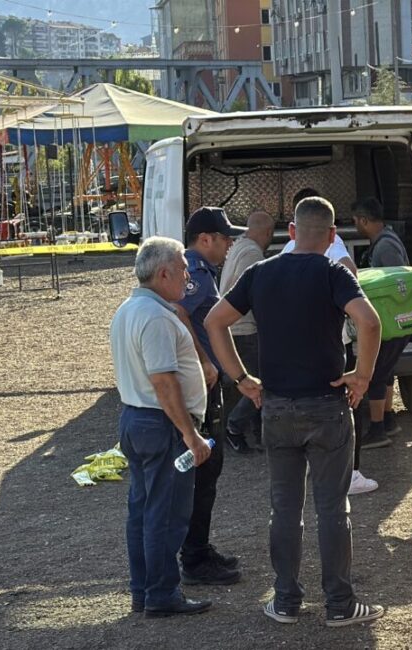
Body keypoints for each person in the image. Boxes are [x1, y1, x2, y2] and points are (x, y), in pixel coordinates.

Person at [204, 196, 386, 628]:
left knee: (284, 510)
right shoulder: (333, 272)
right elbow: (371, 321)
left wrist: (242, 379)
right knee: (332, 508)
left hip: (276, 406)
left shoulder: (260, 272)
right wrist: (361, 375)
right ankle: (340, 604)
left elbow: (215, 322)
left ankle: (285, 600)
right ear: (331, 235)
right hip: (326, 406)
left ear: (290, 230)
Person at [110, 236, 215, 618]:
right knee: (165, 513)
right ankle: (161, 593)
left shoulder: (130, 308)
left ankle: (145, 590)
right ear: (164, 272)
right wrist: (191, 435)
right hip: (161, 424)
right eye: (183, 268)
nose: (188, 275)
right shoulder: (154, 316)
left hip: (138, 419)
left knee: (143, 509)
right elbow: (164, 381)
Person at [172, 207, 242, 586]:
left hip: (202, 384)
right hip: (200, 384)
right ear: (205, 239)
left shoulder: (200, 270)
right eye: (225, 237)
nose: (230, 243)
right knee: (204, 469)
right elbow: (178, 311)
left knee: (207, 471)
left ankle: (198, 548)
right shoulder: (195, 272)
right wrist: (204, 362)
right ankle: (195, 558)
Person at [348, 196, 410, 494]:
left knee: (374, 373)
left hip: (389, 322)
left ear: (363, 220)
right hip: (393, 322)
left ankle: (376, 430)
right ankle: (386, 420)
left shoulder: (385, 245)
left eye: (356, 222)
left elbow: (396, 283)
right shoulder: (387, 240)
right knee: (385, 372)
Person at [219, 210, 276, 454]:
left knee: (254, 378)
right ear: (267, 233)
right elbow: (256, 296)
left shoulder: (238, 247)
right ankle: (234, 427)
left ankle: (257, 432)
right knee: (261, 383)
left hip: (234, 326)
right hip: (244, 328)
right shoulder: (253, 254)